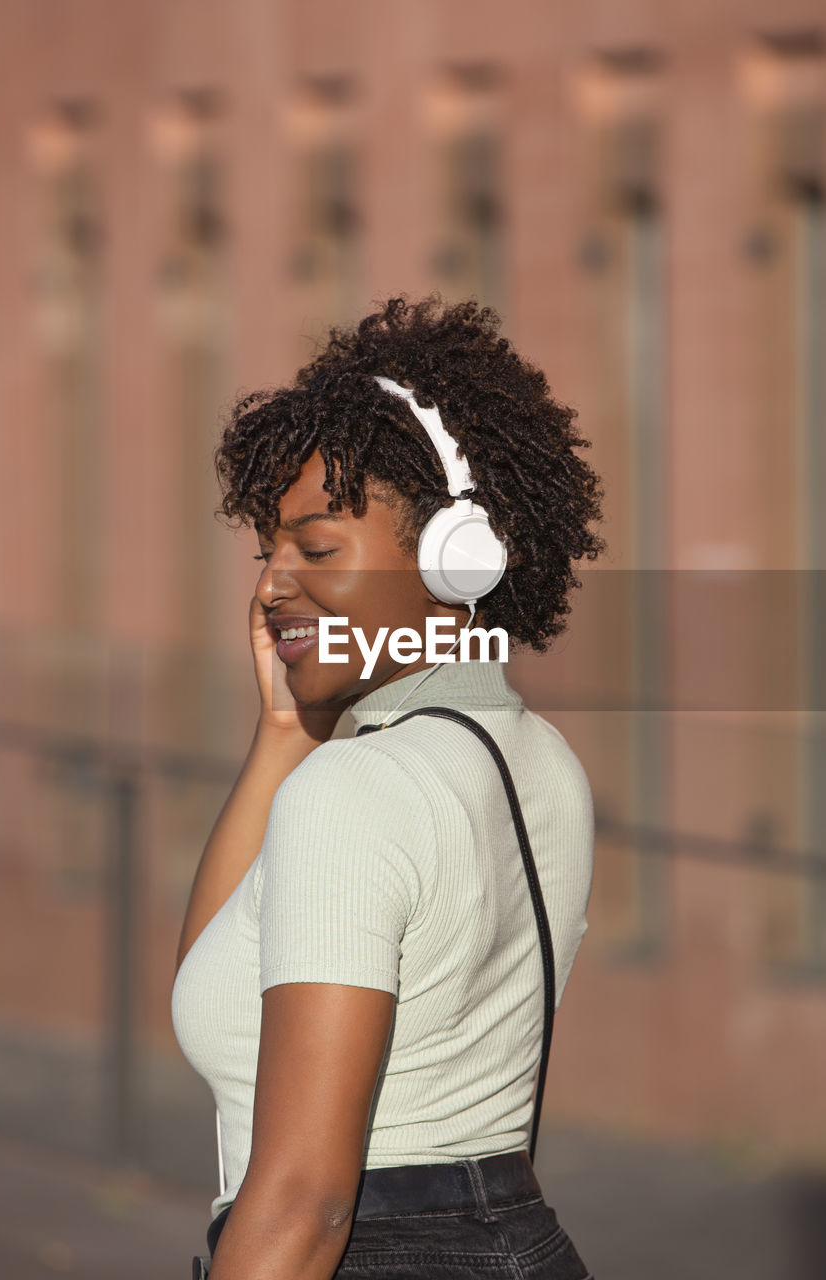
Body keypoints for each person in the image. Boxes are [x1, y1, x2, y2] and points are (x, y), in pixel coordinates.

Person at [171, 294, 606, 1279]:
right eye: (267, 549)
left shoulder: (355, 793)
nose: (272, 584)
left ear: (460, 559)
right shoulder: (540, 761)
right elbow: (222, 961)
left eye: (316, 547)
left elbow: (303, 1200)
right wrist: (286, 729)